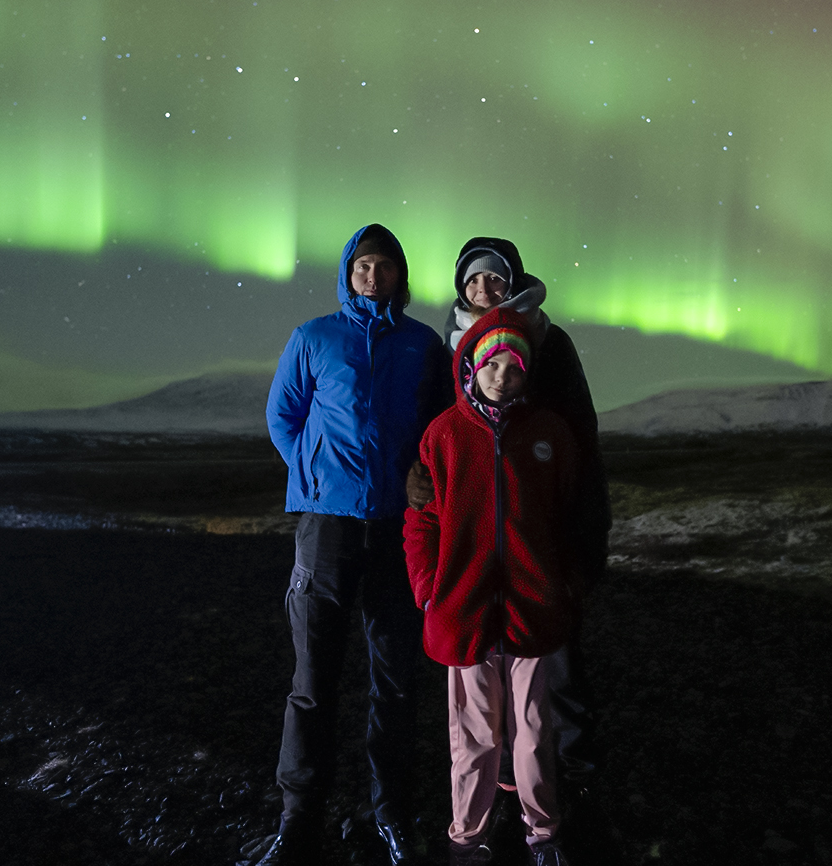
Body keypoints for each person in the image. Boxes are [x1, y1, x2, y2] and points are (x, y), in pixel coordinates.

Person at [254, 224, 451, 866]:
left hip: (399, 526)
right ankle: (299, 817)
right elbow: (282, 416)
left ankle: (391, 812)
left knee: (394, 679)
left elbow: (443, 425)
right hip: (327, 526)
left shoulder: (423, 345)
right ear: (348, 272)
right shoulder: (313, 337)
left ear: (400, 275)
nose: (374, 275)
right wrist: (312, 475)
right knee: (314, 678)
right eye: (363, 265)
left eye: (385, 266)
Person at [411, 237, 612, 811]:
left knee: (557, 661)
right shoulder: (446, 347)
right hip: (474, 535)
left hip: (539, 529)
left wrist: (584, 546)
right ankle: (501, 777)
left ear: (514, 281)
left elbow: (579, 433)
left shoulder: (548, 342)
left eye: (494, 280)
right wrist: (418, 482)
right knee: (481, 663)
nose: (483, 290)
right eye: (472, 281)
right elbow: (432, 429)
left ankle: (574, 771)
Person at [404, 308, 583, 866]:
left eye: (513, 368)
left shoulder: (550, 432)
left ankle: (544, 832)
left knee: (533, 733)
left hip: (532, 607)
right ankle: (468, 838)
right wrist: (429, 591)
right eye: (493, 365)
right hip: (464, 608)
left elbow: (570, 515)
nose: (502, 376)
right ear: (472, 368)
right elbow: (422, 522)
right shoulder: (444, 434)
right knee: (473, 736)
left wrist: (565, 584)